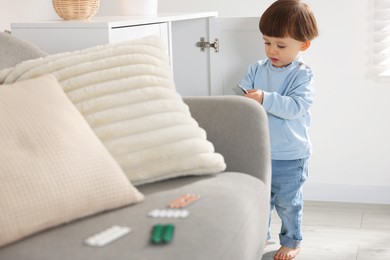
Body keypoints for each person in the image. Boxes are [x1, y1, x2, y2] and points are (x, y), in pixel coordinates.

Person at [239, 0, 319, 259]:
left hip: (290, 154)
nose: (272, 49)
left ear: (303, 45)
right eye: (267, 42)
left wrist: (264, 98)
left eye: (280, 45)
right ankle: (260, 236)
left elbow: (296, 106)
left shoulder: (302, 75)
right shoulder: (256, 68)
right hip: (260, 153)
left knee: (288, 203)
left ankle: (292, 240)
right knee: (261, 200)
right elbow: (244, 97)